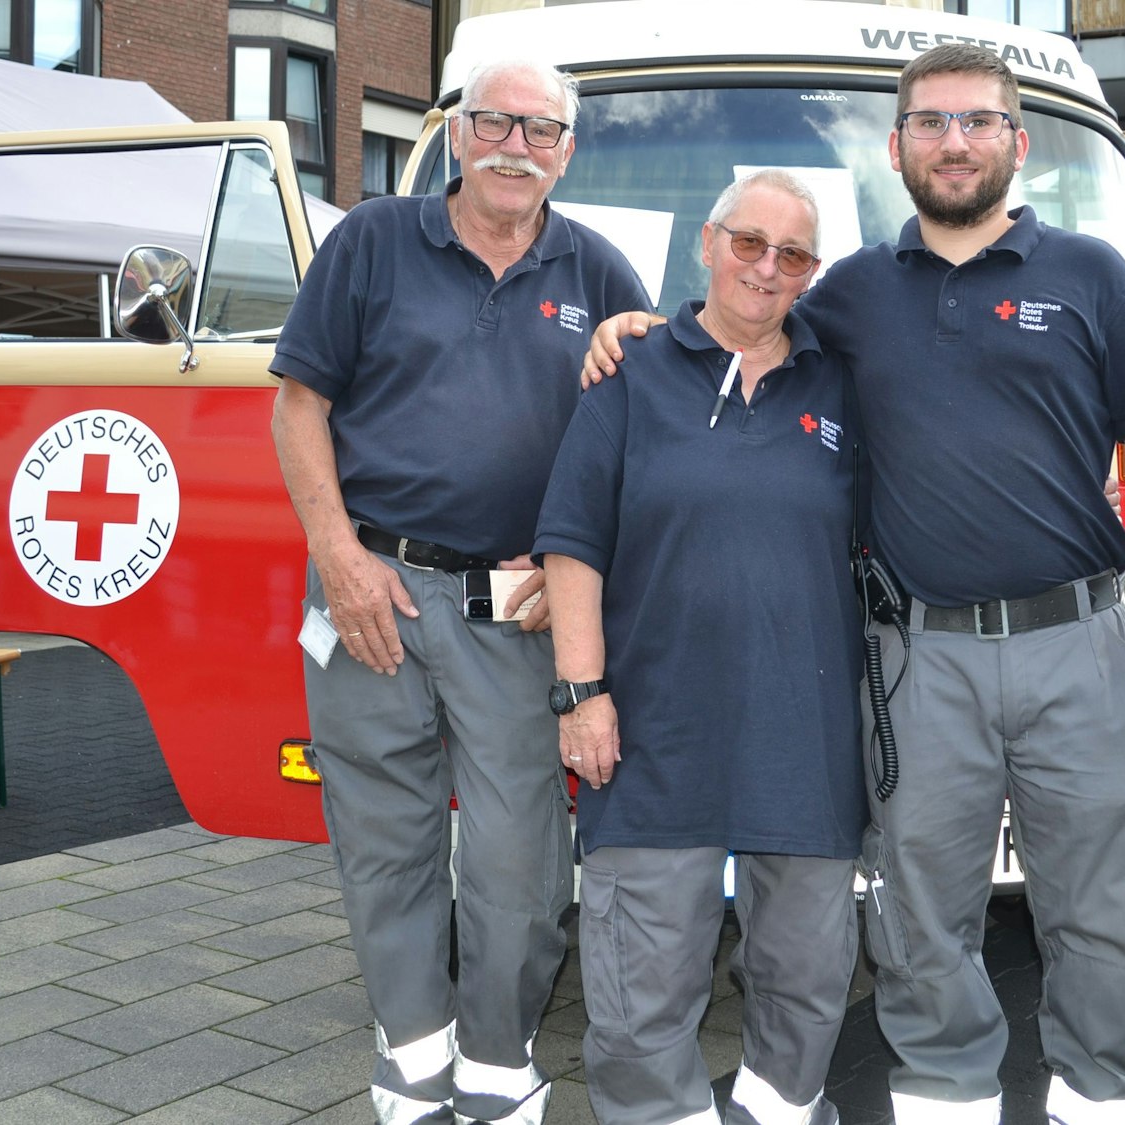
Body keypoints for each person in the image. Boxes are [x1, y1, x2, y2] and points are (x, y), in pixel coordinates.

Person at [589, 43, 1125, 1125]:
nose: (953, 142)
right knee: (922, 916)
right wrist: (643, 332)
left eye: (976, 122)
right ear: (896, 148)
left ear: (1015, 143)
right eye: (930, 123)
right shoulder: (848, 294)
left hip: (1075, 643)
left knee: (1104, 906)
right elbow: (744, 326)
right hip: (917, 658)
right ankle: (946, 1097)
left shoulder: (1090, 275)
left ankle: (1104, 1095)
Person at [268, 59, 649, 1125]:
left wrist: (578, 568)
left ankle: (496, 1055)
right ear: (455, 133)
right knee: (382, 840)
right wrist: (338, 556)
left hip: (515, 611)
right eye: (493, 123)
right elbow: (298, 407)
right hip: (369, 590)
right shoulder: (372, 241)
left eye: (538, 131)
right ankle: (413, 1055)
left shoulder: (599, 272)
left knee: (521, 855)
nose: (513, 146)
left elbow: (646, 441)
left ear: (565, 152)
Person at [537, 169, 862, 1125]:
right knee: (642, 998)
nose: (766, 268)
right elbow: (572, 542)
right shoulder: (628, 374)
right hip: (652, 736)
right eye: (748, 243)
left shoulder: (844, 384)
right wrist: (581, 691)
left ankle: (779, 1111)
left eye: (792, 254)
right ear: (707, 246)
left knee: (806, 976)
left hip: (804, 738)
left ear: (812, 273)